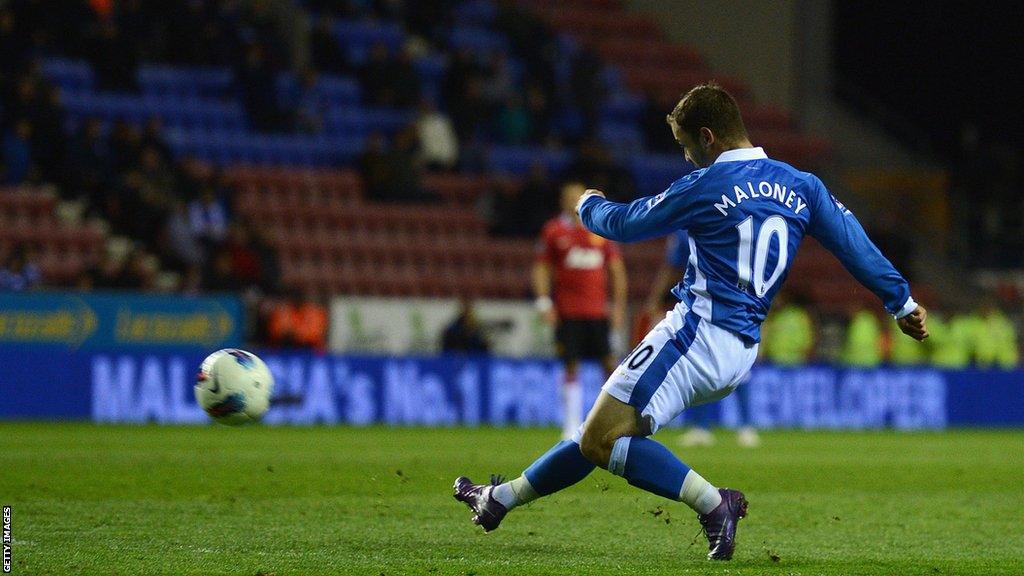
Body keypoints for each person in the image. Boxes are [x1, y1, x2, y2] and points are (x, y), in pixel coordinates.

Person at [454, 83, 929, 561]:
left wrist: (586, 204)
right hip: (741, 351)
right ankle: (499, 500)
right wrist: (902, 303)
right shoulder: (802, 185)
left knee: (601, 439)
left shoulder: (706, 186)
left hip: (694, 334)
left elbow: (623, 224)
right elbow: (852, 242)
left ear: (708, 137)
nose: (685, 158)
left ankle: (713, 503)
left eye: (685, 145)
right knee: (596, 432)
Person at [644, 230, 761, 448]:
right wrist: (655, 299)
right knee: (698, 364)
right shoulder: (683, 232)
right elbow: (671, 267)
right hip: (699, 306)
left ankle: (745, 426)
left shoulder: (730, 221)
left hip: (733, 305)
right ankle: (702, 428)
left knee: (740, 370)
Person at [532, 182, 628, 440]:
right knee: (570, 365)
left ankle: (612, 421)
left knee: (610, 365)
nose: (575, 202)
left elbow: (616, 271)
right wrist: (544, 302)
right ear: (563, 201)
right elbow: (541, 268)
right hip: (568, 312)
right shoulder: (553, 231)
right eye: (571, 198)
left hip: (599, 313)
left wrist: (618, 308)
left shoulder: (599, 230)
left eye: (579, 197)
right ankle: (571, 425)